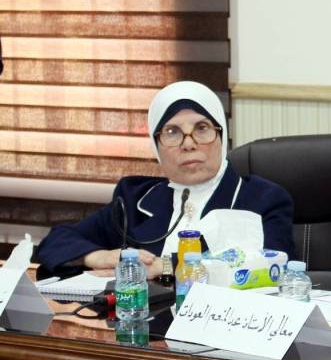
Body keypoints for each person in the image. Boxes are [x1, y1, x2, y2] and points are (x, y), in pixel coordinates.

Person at [36, 81, 295, 279]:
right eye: (172, 132)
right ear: (156, 146)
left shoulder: (262, 199)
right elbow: (56, 241)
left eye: (202, 129)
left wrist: (167, 266)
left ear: (222, 135)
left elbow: (270, 266)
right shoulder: (135, 198)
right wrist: (98, 256)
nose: (189, 144)